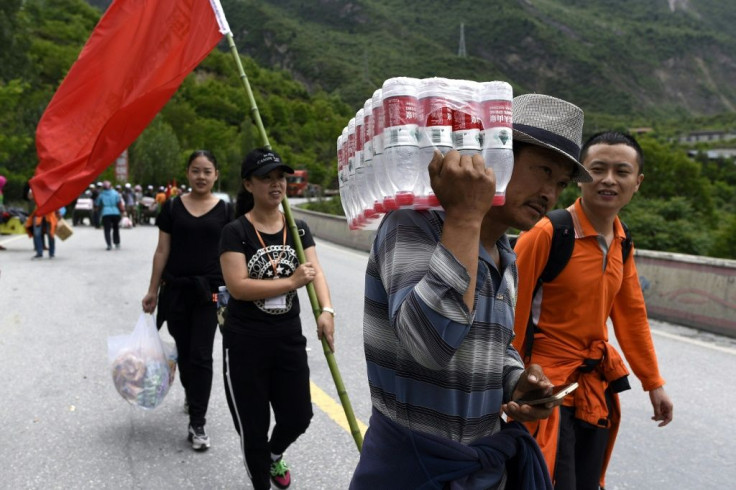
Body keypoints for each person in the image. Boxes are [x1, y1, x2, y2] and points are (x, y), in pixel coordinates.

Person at [350, 93, 591, 490]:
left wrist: (517, 381)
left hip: (481, 474)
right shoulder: (413, 225)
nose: (550, 193)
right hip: (412, 471)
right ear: (497, 157)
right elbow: (430, 345)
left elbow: (495, 347)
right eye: (543, 170)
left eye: (561, 183)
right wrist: (464, 216)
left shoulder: (505, 257)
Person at [512, 131, 674, 490]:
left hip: (592, 391)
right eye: (598, 169)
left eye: (622, 171)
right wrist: (508, 383)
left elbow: (631, 315)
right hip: (543, 387)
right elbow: (511, 314)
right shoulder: (548, 233)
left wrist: (653, 383)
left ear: (638, 183)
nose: (609, 180)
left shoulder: (621, 241)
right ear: (581, 176)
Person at [219, 148, 335, 490]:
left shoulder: (298, 229)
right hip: (245, 342)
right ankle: (260, 479)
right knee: (253, 427)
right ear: (248, 184)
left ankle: (273, 454)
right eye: (266, 178)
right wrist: (291, 282)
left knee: (299, 416)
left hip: (287, 337)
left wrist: (326, 311)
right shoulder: (235, 231)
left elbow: (316, 272)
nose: (276, 184)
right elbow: (238, 287)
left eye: (280, 177)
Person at [141, 150, 231, 451]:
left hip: (212, 292)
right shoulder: (172, 208)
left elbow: (233, 255)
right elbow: (161, 251)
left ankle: (198, 422)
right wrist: (153, 290)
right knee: (185, 350)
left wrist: (236, 292)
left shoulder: (226, 210)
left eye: (207, 171)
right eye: (195, 170)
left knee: (202, 355)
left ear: (216, 174)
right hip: (176, 290)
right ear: (187, 173)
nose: (201, 177)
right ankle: (192, 395)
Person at [24, 185, 59, 259]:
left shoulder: (51, 188)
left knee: (50, 234)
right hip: (39, 214)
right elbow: (29, 197)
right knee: (37, 234)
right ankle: (39, 252)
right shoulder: (35, 188)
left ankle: (51, 253)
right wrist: (33, 190)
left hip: (49, 214)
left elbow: (56, 201)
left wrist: (57, 212)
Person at [95, 180, 123, 250]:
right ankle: (117, 243)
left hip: (106, 213)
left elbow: (97, 204)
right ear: (110, 186)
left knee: (107, 230)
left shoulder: (101, 195)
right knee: (116, 228)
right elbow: (119, 203)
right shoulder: (116, 193)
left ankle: (109, 245)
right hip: (115, 213)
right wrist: (122, 211)